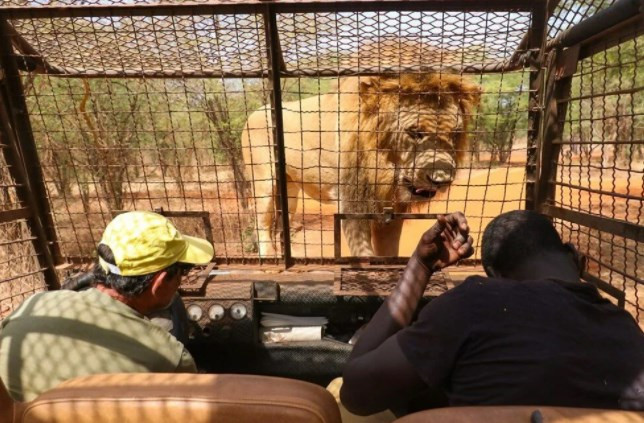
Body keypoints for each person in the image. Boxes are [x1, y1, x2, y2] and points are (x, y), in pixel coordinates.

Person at [340, 210, 644, 417]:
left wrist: (420, 267)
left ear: (496, 278)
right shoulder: (628, 330)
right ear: (578, 258)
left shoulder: (476, 303)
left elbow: (356, 394)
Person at [0, 211, 214, 401]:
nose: (181, 281)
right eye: (182, 273)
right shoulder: (169, 357)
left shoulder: (34, 305)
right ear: (159, 282)